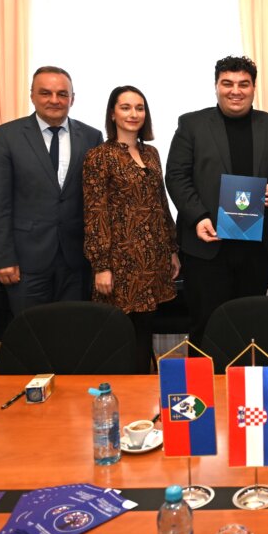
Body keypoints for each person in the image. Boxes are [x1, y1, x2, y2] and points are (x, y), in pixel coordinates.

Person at [165, 55, 268, 345]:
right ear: (216, 86)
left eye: (243, 84)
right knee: (204, 327)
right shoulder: (191, 124)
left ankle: (247, 389)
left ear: (254, 87)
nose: (236, 90)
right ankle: (203, 392)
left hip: (256, 248)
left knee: (249, 327)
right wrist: (198, 217)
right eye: (228, 84)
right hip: (207, 244)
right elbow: (176, 176)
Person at [0, 66, 103, 314]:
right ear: (32, 96)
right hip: (26, 261)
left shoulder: (91, 137)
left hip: (76, 260)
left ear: (72, 98)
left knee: (72, 333)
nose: (54, 100)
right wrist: (3, 258)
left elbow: (97, 202)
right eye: (45, 93)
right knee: (31, 334)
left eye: (62, 94)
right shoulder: (6, 136)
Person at [83, 86, 179, 371]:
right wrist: (101, 265)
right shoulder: (99, 156)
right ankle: (123, 400)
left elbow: (161, 203)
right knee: (121, 338)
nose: (133, 114)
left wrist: (172, 250)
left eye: (139, 107)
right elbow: (95, 212)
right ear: (112, 113)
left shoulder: (152, 154)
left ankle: (142, 402)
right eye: (125, 107)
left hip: (152, 260)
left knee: (143, 334)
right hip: (119, 263)